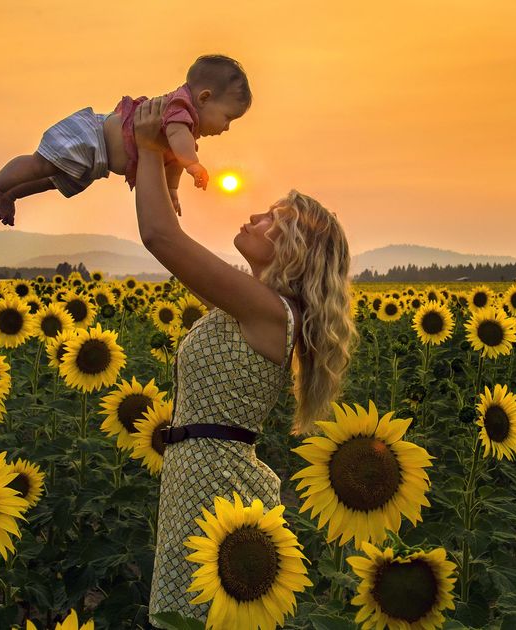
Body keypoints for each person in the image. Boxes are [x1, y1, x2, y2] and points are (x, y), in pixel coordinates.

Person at [129, 95, 358, 627]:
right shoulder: (252, 305)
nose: (254, 216)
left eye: (274, 218)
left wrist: (143, 148)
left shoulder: (270, 312)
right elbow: (165, 225)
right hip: (197, 473)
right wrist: (168, 173)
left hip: (215, 483)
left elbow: (160, 237)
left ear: (296, 248)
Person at [0, 55, 251, 226]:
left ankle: (11, 194)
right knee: (41, 165)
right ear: (204, 98)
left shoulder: (185, 128)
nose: (226, 128)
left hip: (99, 160)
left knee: (52, 181)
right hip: (91, 135)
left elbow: (174, 162)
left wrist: (172, 192)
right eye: (227, 117)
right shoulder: (179, 109)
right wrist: (194, 165)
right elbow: (180, 146)